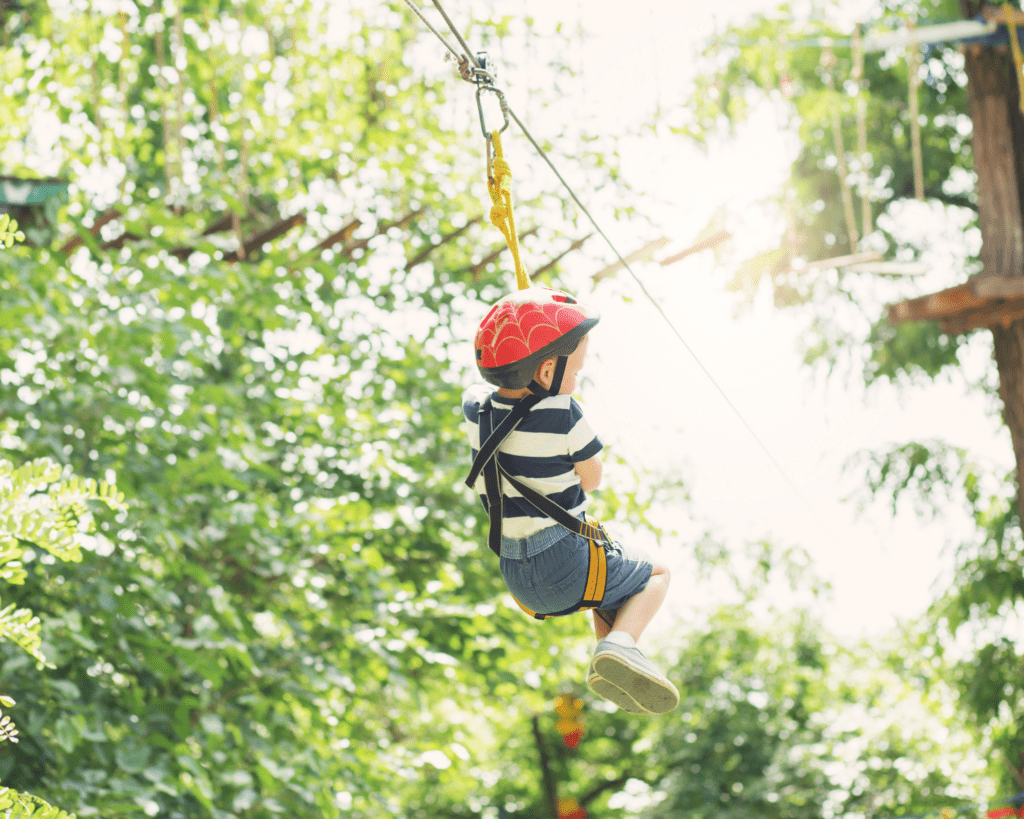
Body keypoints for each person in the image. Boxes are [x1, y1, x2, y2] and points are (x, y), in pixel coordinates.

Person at [462, 286, 678, 715]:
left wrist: (521, 326)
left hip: (517, 579)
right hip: (563, 563)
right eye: (575, 371)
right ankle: (619, 645)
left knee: (610, 582)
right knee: (654, 574)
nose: (576, 380)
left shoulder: (476, 409)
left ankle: (611, 657)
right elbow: (593, 479)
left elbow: (480, 385)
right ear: (546, 374)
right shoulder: (564, 412)